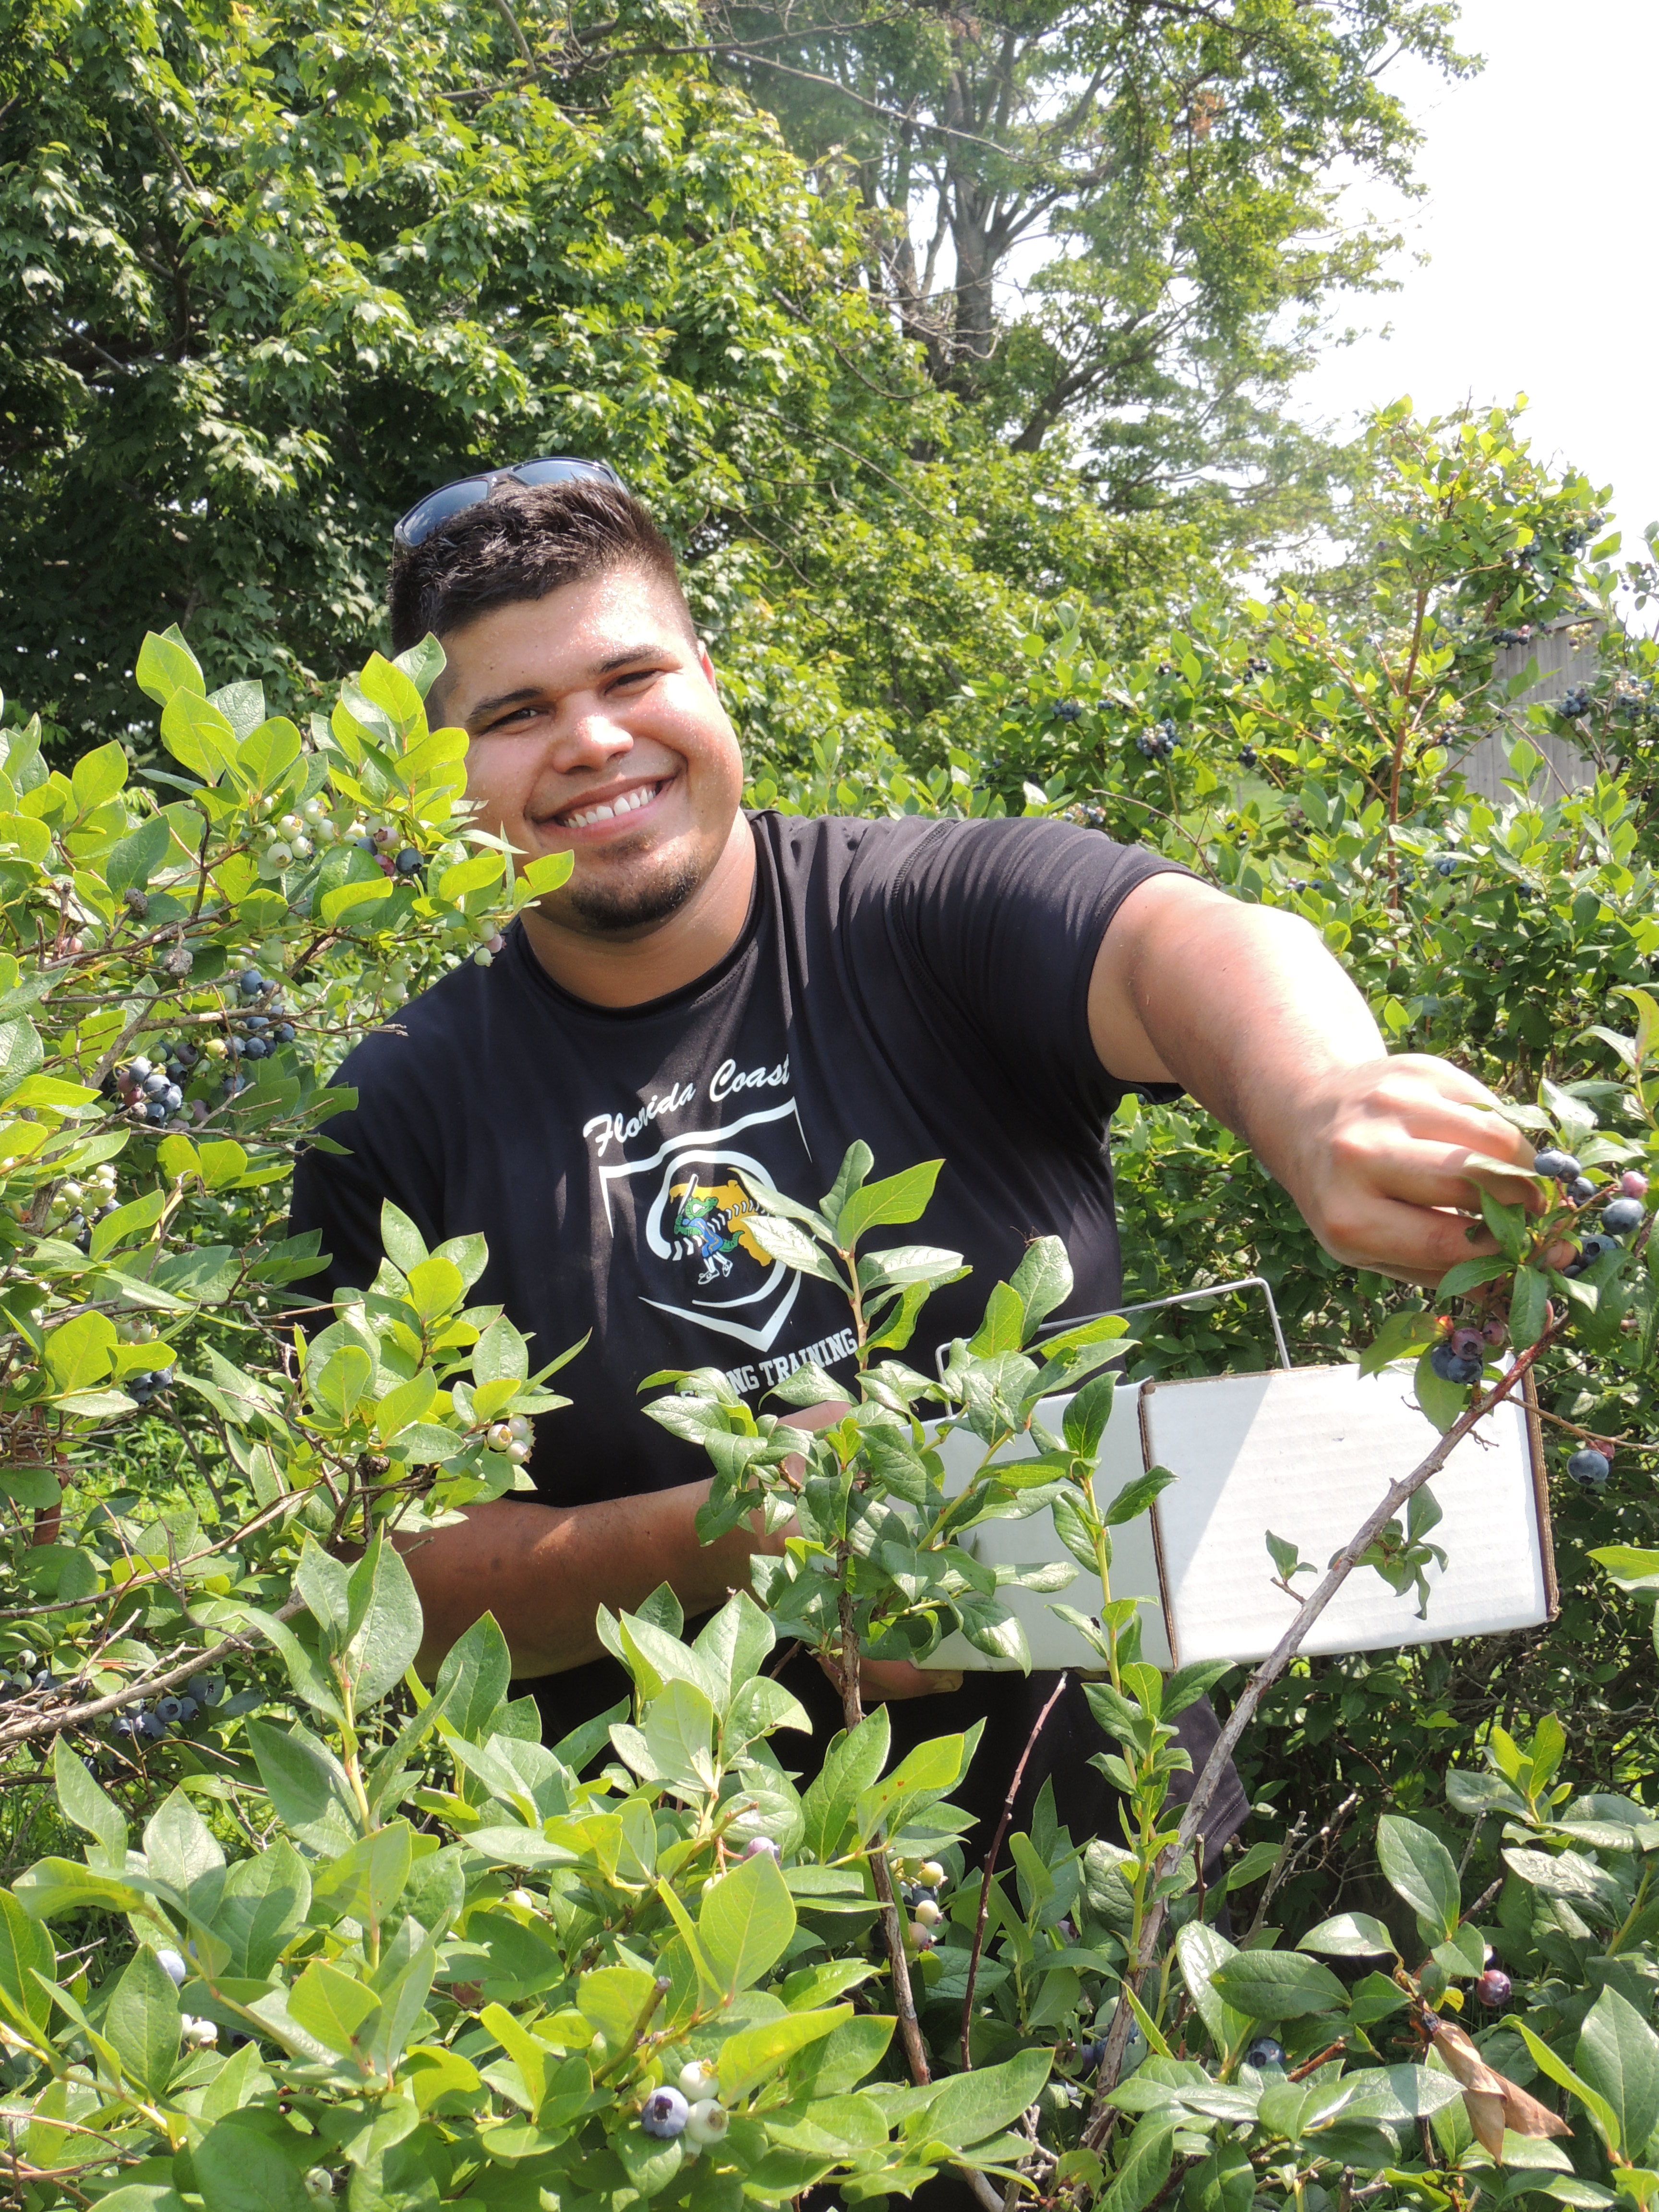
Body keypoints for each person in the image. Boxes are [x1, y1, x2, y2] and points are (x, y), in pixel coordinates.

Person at [289, 459, 1536, 1863]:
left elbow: (1191, 942)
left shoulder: (923, 917)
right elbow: (390, 1591)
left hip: (1112, 1899)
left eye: (630, 677)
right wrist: (739, 1530)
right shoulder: (394, 1110)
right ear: (440, 771)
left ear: (706, 677)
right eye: (514, 715)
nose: (589, 741)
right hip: (673, 1960)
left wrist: (1323, 1099)